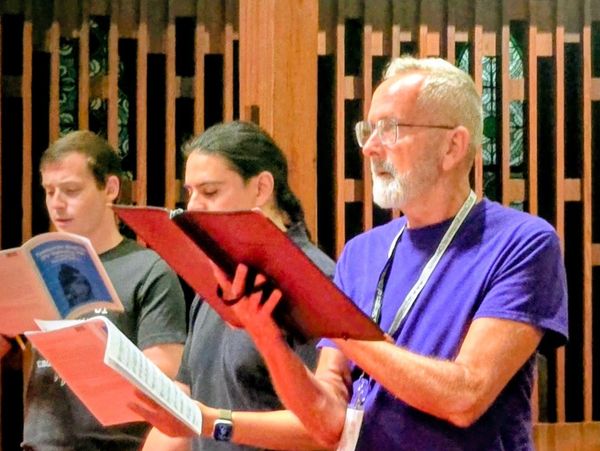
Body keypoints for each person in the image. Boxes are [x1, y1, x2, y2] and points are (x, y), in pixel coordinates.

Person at [136, 57, 568, 450]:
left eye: (390, 129)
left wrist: (336, 326)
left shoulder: (521, 241)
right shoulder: (362, 253)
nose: (370, 147)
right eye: (368, 130)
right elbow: (327, 423)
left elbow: (465, 396)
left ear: (453, 147)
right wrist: (266, 334)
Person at [139, 120, 336, 451]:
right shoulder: (216, 280)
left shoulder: (315, 281)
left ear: (261, 188)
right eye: (190, 193)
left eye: (211, 192)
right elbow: (185, 405)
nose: (193, 208)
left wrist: (214, 423)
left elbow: (326, 425)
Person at [22, 130, 188, 451]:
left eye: (71, 190)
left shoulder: (148, 269)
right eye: (49, 191)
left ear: (110, 188)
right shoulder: (40, 269)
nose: (57, 204)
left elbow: (167, 371)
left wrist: (88, 353)